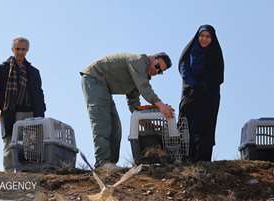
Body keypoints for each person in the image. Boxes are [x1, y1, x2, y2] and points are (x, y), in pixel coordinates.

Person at [80, 52, 174, 168]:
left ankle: (110, 164)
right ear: (152, 58)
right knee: (102, 122)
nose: (156, 71)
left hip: (104, 88)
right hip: (94, 79)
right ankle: (102, 162)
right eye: (157, 66)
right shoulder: (139, 61)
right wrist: (161, 105)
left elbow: (134, 106)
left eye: (160, 72)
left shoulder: (139, 77)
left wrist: (149, 126)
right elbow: (144, 88)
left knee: (116, 126)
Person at [0, 37, 46, 172]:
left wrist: (41, 112)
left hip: (30, 112)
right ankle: (9, 173)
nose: (20, 52)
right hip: (10, 112)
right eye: (18, 49)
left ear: (27, 50)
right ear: (12, 49)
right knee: (10, 143)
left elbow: (39, 93)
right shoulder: (2, 69)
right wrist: (0, 108)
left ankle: (29, 172)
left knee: (31, 144)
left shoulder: (34, 71)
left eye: (23, 49)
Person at [178, 25, 224, 162]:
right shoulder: (190, 51)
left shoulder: (215, 53)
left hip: (209, 96)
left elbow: (218, 76)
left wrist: (205, 85)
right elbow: (183, 68)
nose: (204, 39)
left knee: (205, 128)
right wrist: (195, 84)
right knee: (187, 126)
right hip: (190, 94)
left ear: (212, 39)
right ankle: (185, 158)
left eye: (208, 37)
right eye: (202, 36)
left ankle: (203, 160)